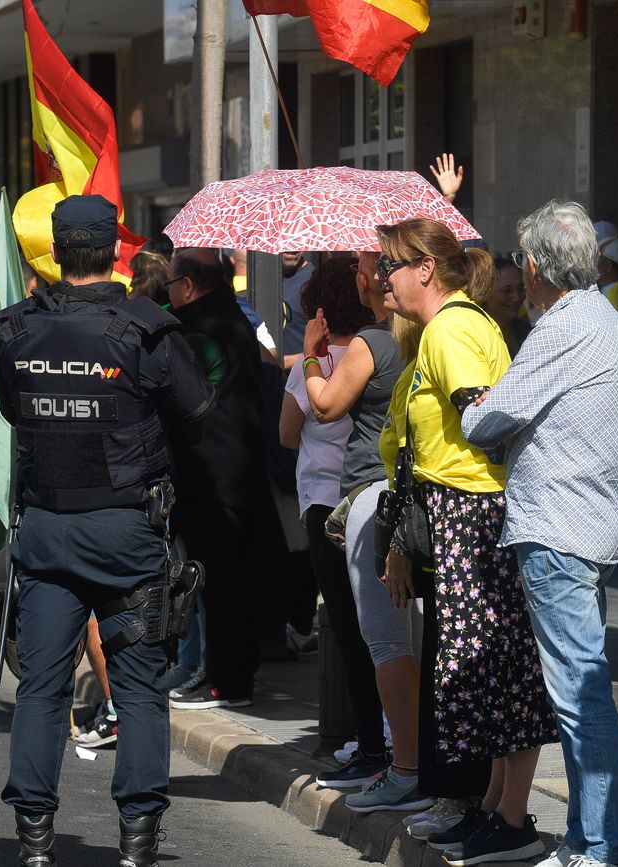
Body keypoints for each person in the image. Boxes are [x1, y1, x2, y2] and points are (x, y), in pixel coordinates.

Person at [0, 194, 214, 867]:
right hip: (126, 534)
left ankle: (34, 840)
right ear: (114, 250)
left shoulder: (19, 328)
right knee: (140, 686)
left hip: (48, 532)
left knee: (43, 687)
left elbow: (12, 408)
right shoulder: (145, 328)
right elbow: (197, 409)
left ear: (57, 252)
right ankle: (138, 840)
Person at [363, 220, 556, 865]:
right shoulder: (442, 331)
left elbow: (488, 417)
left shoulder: (452, 328)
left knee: (495, 670)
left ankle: (512, 815)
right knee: (479, 673)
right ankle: (495, 808)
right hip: (458, 516)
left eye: (391, 263)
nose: (384, 275)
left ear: (424, 269)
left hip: (478, 516)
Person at [462, 200, 618, 867]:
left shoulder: (562, 327)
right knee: (579, 690)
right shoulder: (604, 319)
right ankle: (589, 839)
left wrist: (478, 403)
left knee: (578, 695)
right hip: (583, 519)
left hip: (559, 524)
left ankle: (608, 843)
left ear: (535, 267)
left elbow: (487, 420)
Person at [279, 257, 387, 789]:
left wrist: (310, 357)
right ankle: (388, 732)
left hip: (326, 501)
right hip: (377, 497)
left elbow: (287, 434)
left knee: (349, 627)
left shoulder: (313, 364)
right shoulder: (385, 350)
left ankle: (372, 741)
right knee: (387, 628)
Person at [164, 247, 272, 709]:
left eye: (170, 284)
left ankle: (228, 682)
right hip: (237, 468)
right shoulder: (231, 319)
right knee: (227, 581)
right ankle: (222, 672)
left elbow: (180, 398)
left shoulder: (203, 331)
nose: (167, 293)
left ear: (188, 286)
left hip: (214, 475)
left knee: (224, 583)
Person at [488, 257, 531, 357]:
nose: (516, 298)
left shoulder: (525, 331)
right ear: (486, 292)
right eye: (506, 291)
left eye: (520, 289)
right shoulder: (477, 336)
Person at [280, 251, 315, 368]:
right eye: (286, 238)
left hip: (301, 376)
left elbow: (328, 343)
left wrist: (289, 361)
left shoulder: (313, 281)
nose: (292, 248)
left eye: (295, 240)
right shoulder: (261, 276)